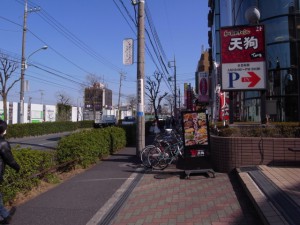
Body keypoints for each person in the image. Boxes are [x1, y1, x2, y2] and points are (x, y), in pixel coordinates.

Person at [0, 120, 20, 224]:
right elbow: (9, 159)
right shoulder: (3, 143)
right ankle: (6, 216)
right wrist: (17, 167)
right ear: (3, 130)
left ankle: (6, 215)